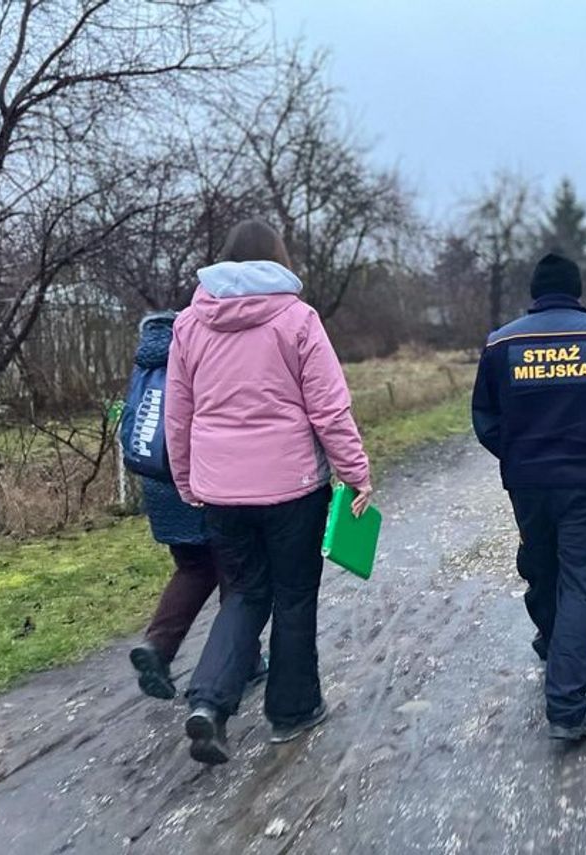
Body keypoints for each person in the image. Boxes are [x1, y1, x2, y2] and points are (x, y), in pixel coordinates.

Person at [165, 219, 373, 765]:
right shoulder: (297, 319)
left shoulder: (188, 324)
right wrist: (355, 473)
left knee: (245, 591)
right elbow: (329, 406)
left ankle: (209, 703)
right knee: (293, 594)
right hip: (292, 489)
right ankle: (292, 710)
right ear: (278, 259)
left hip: (220, 492)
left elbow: (178, 413)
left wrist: (188, 478)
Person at [471, 252, 586, 741]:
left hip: (528, 483)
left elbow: (485, 421)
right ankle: (568, 706)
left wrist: (517, 456)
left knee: (543, 566)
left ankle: (554, 643)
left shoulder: (501, 343)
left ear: (534, 292)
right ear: (577, 291)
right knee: (581, 579)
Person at [126, 312, 267, 700]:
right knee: (235, 575)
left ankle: (157, 647)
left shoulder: (146, 364)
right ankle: (244, 659)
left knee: (193, 567)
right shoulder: (199, 349)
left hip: (157, 484)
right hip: (199, 481)